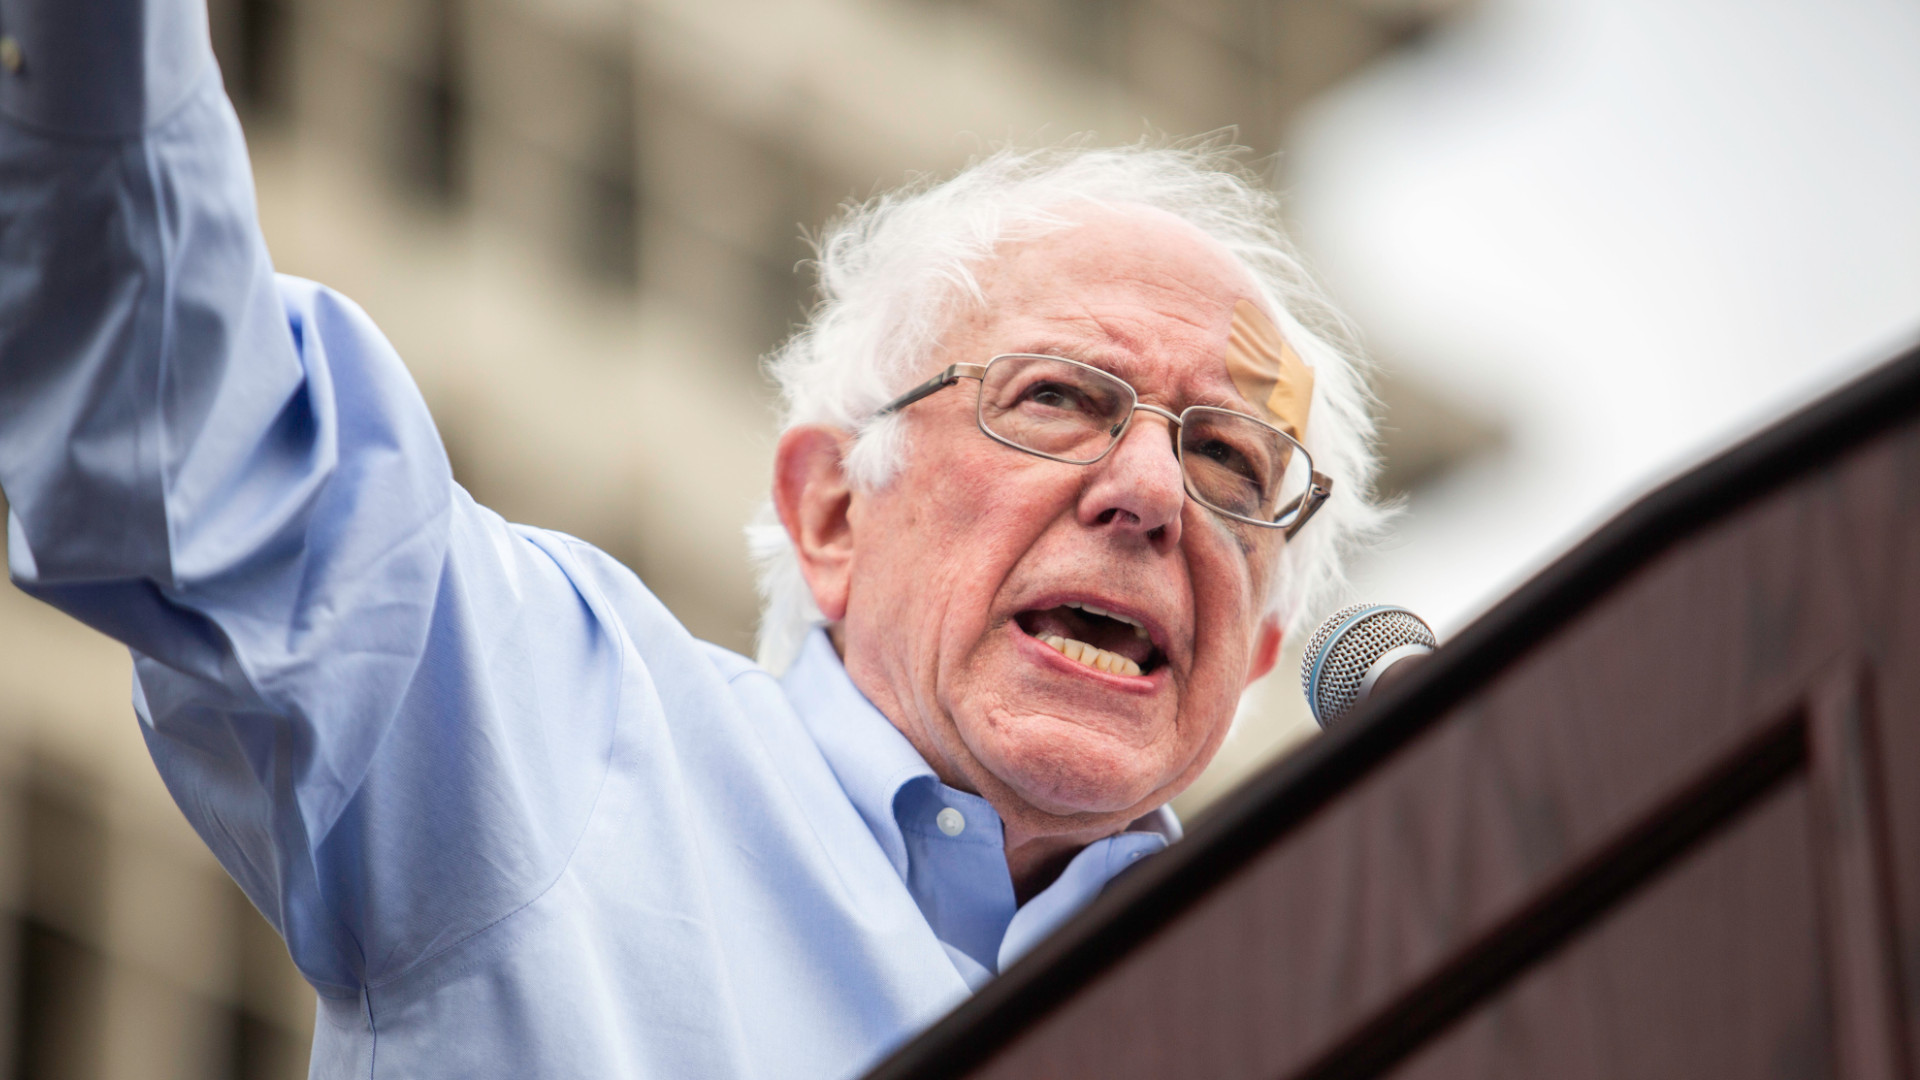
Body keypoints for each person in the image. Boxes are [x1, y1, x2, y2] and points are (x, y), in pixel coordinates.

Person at [0, 0, 1379, 1076]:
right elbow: (176, 412)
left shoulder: (1328, 987)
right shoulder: (547, 729)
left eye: (1226, 458)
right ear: (833, 510)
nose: (1150, 489)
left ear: (1257, 651)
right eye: (1059, 399)